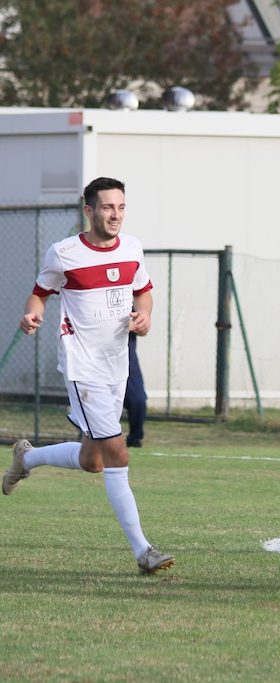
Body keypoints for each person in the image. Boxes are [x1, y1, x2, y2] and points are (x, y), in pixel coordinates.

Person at [2, 177, 174, 575]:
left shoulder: (131, 248)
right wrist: (33, 314)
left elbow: (142, 290)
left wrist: (145, 314)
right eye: (108, 207)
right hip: (82, 367)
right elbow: (39, 293)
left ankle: (27, 458)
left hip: (117, 364)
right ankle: (143, 551)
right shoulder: (64, 253)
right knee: (118, 451)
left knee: (92, 460)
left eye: (121, 207)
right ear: (89, 209)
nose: (115, 215)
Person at [125, 331, 146, 448]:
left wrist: (143, 318)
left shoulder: (130, 311)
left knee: (138, 400)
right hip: (97, 358)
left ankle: (134, 438)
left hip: (127, 359)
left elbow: (142, 328)